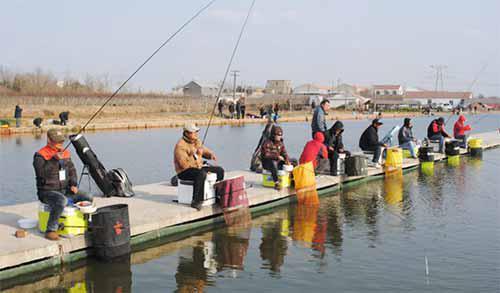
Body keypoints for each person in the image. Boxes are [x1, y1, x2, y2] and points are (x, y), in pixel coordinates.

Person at [33, 129, 92, 241]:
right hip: (47, 192)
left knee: (87, 197)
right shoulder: (40, 155)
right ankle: (51, 230)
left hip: (65, 189)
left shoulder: (65, 153)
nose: (60, 144)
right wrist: (53, 160)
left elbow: (72, 170)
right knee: (61, 201)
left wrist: (73, 184)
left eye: (61, 141)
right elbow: (41, 174)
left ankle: (85, 223)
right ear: (49, 140)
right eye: (57, 141)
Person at [174, 123, 224, 210]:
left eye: (196, 131)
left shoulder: (196, 141)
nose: (196, 133)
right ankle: (196, 201)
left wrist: (210, 154)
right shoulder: (180, 146)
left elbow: (203, 149)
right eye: (194, 132)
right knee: (201, 174)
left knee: (219, 170)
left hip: (197, 168)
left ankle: (216, 195)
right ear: (187, 133)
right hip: (184, 171)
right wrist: (199, 156)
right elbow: (184, 165)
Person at [260, 126, 289, 190]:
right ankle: (276, 182)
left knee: (293, 161)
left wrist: (287, 160)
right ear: (273, 135)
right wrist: (277, 156)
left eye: (280, 135)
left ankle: (292, 179)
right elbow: (266, 154)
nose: (279, 136)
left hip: (277, 161)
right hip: (267, 163)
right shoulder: (267, 142)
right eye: (278, 135)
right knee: (273, 163)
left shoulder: (281, 143)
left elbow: (284, 153)